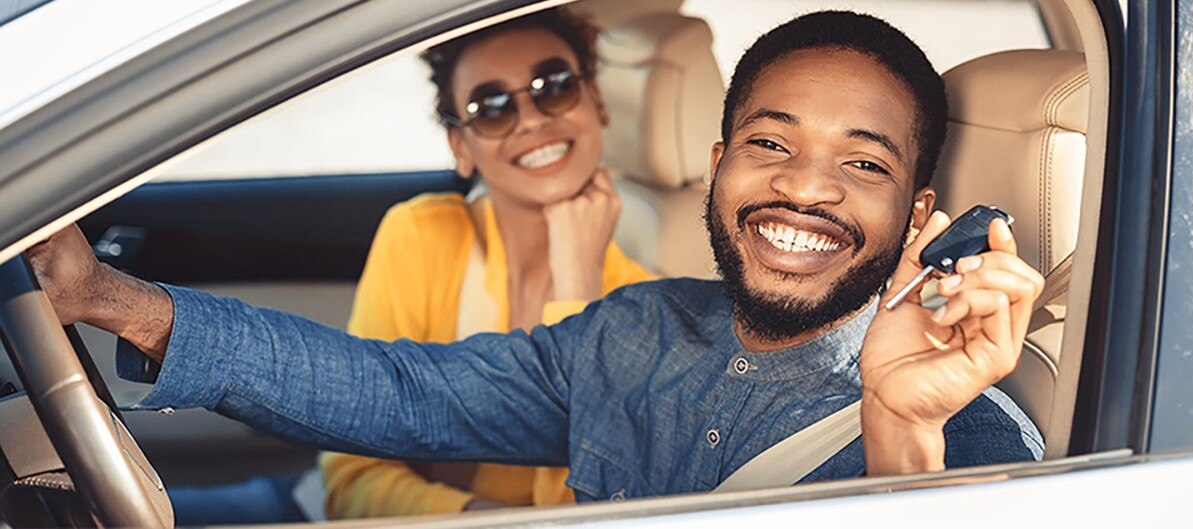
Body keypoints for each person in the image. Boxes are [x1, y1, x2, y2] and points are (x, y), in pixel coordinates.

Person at [28, 11, 1046, 502]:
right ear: (716, 168)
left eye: (859, 164)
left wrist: (899, 433)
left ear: (916, 216)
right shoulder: (632, 329)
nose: (803, 187)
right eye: (769, 144)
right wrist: (112, 296)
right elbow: (394, 388)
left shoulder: (968, 431)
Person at [319, 9, 650, 518]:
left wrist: (578, 290)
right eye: (492, 107)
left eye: (555, 86)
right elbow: (352, 477)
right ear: (461, 147)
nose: (534, 120)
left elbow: (588, 510)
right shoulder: (421, 235)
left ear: (597, 103)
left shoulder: (643, 305)